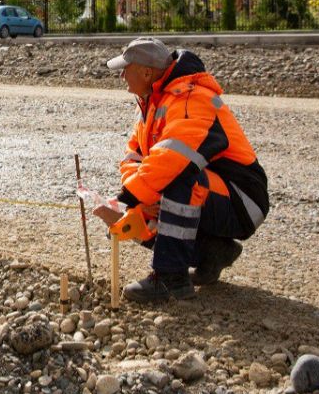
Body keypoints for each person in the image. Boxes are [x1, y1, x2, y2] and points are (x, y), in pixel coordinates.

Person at [95, 37, 268, 303]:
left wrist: (127, 199)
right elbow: (133, 156)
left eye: (125, 68)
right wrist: (134, 202)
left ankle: (170, 278)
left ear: (146, 72)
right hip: (215, 193)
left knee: (174, 179)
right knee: (144, 207)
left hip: (243, 200)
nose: (121, 75)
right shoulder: (154, 103)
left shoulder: (191, 98)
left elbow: (173, 161)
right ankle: (212, 254)